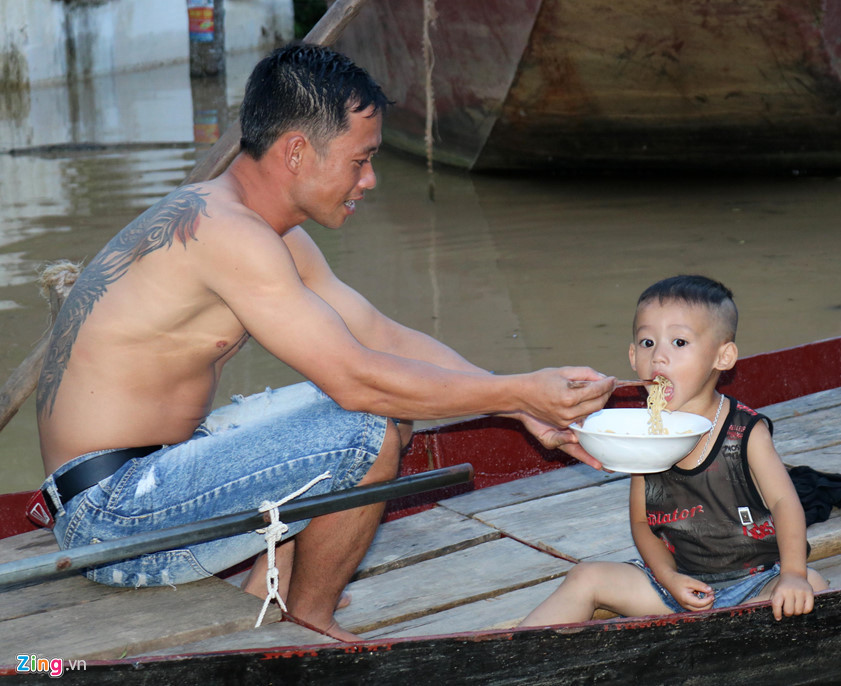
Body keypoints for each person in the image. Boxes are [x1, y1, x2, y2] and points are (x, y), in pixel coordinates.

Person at [34, 44, 615, 641]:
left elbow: (381, 338)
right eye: (360, 160)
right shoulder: (227, 233)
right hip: (112, 520)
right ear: (296, 151)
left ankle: (270, 583)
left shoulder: (260, 230)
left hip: (156, 476)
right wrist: (520, 390)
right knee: (370, 423)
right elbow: (356, 380)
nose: (369, 179)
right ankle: (307, 623)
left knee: (381, 398)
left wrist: (518, 404)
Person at [521, 274, 827, 627]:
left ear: (723, 356)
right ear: (633, 356)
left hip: (755, 583)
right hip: (674, 586)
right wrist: (669, 578)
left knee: (814, 585)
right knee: (587, 576)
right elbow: (642, 523)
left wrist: (792, 573)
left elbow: (784, 503)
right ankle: (511, 654)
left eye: (679, 342)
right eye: (648, 342)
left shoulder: (745, 432)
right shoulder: (645, 433)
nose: (659, 357)